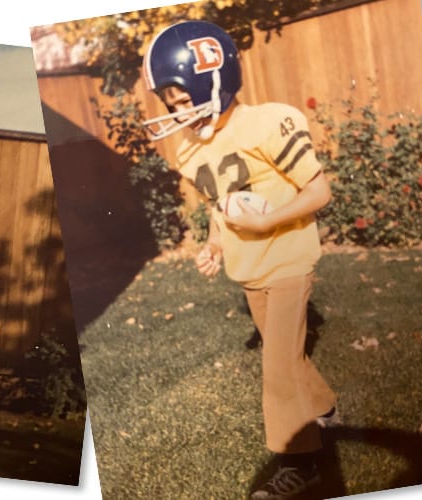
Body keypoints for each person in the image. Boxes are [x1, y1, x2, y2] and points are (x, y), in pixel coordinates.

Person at [141, 21, 337, 499]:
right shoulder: (190, 149)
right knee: (286, 353)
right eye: (170, 103)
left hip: (288, 259)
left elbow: (318, 191)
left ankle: (301, 463)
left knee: (278, 367)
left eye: (182, 100)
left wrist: (270, 222)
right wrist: (214, 244)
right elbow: (220, 206)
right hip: (250, 268)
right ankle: (326, 409)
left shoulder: (268, 122)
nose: (176, 112)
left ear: (213, 81)